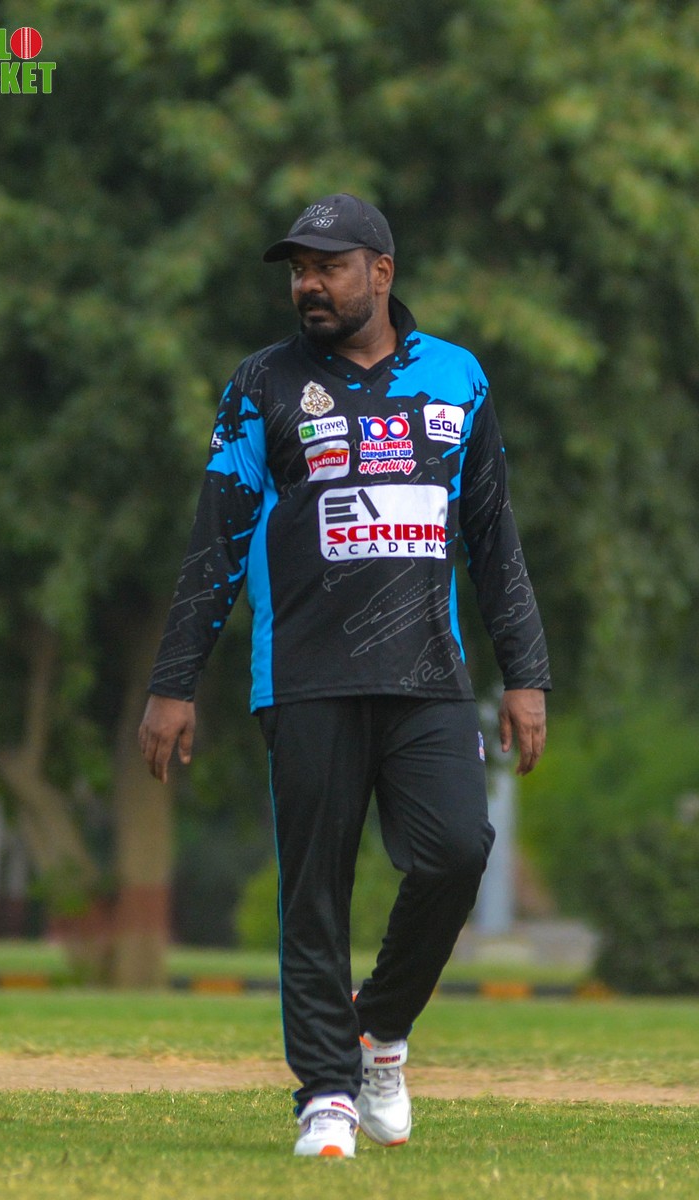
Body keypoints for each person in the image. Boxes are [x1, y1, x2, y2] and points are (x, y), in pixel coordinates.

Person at [139, 193, 550, 1158]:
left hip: (429, 676)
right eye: (298, 270)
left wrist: (526, 672)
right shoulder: (263, 384)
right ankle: (325, 1093)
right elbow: (216, 540)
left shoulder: (457, 377)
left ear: (382, 272)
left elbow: (493, 536)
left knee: (457, 850)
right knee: (313, 894)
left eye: (327, 267)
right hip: (305, 676)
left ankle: (381, 1030)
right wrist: (173, 682)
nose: (308, 286)